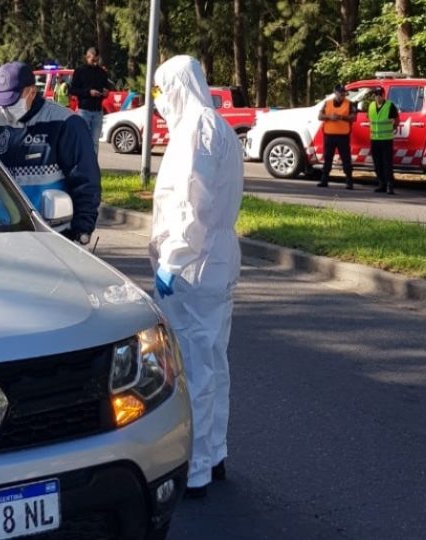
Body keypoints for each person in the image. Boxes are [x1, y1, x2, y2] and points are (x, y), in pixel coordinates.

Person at [148, 55, 244, 500]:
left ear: (177, 87)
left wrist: (173, 260)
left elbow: (192, 205)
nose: (159, 100)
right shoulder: (216, 126)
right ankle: (215, 452)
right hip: (215, 258)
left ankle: (197, 468)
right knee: (214, 362)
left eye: (160, 90)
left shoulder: (195, 131)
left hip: (193, 266)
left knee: (195, 367)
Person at [0, 62, 101, 245]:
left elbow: (86, 180)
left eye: (12, 101)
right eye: (3, 102)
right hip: (2, 232)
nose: (7, 108)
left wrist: (82, 230)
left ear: (31, 92)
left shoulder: (65, 123)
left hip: (50, 233)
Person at [70, 47, 114, 154]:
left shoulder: (102, 72)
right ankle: (82, 162)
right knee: (83, 139)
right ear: (87, 57)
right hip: (84, 110)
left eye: (97, 60)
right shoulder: (80, 71)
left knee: (95, 142)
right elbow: (73, 90)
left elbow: (106, 88)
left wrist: (105, 92)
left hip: (98, 111)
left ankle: (92, 163)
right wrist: (88, 92)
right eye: (92, 59)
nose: (95, 62)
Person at [317, 84, 356, 189]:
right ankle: (324, 179)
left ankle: (349, 181)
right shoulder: (327, 103)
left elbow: (353, 117)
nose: (342, 95)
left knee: (346, 159)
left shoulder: (349, 104)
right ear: (335, 92)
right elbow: (319, 116)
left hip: (343, 136)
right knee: (327, 158)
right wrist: (330, 117)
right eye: (340, 93)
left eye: (344, 93)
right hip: (329, 135)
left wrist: (341, 117)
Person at [368, 87, 399, 194]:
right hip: (375, 139)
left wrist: (393, 126)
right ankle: (382, 184)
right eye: (376, 95)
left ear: (383, 95)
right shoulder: (371, 106)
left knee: (387, 164)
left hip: (386, 139)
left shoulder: (390, 105)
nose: (377, 97)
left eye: (379, 94)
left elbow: (396, 121)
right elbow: (371, 120)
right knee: (377, 164)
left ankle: (390, 185)